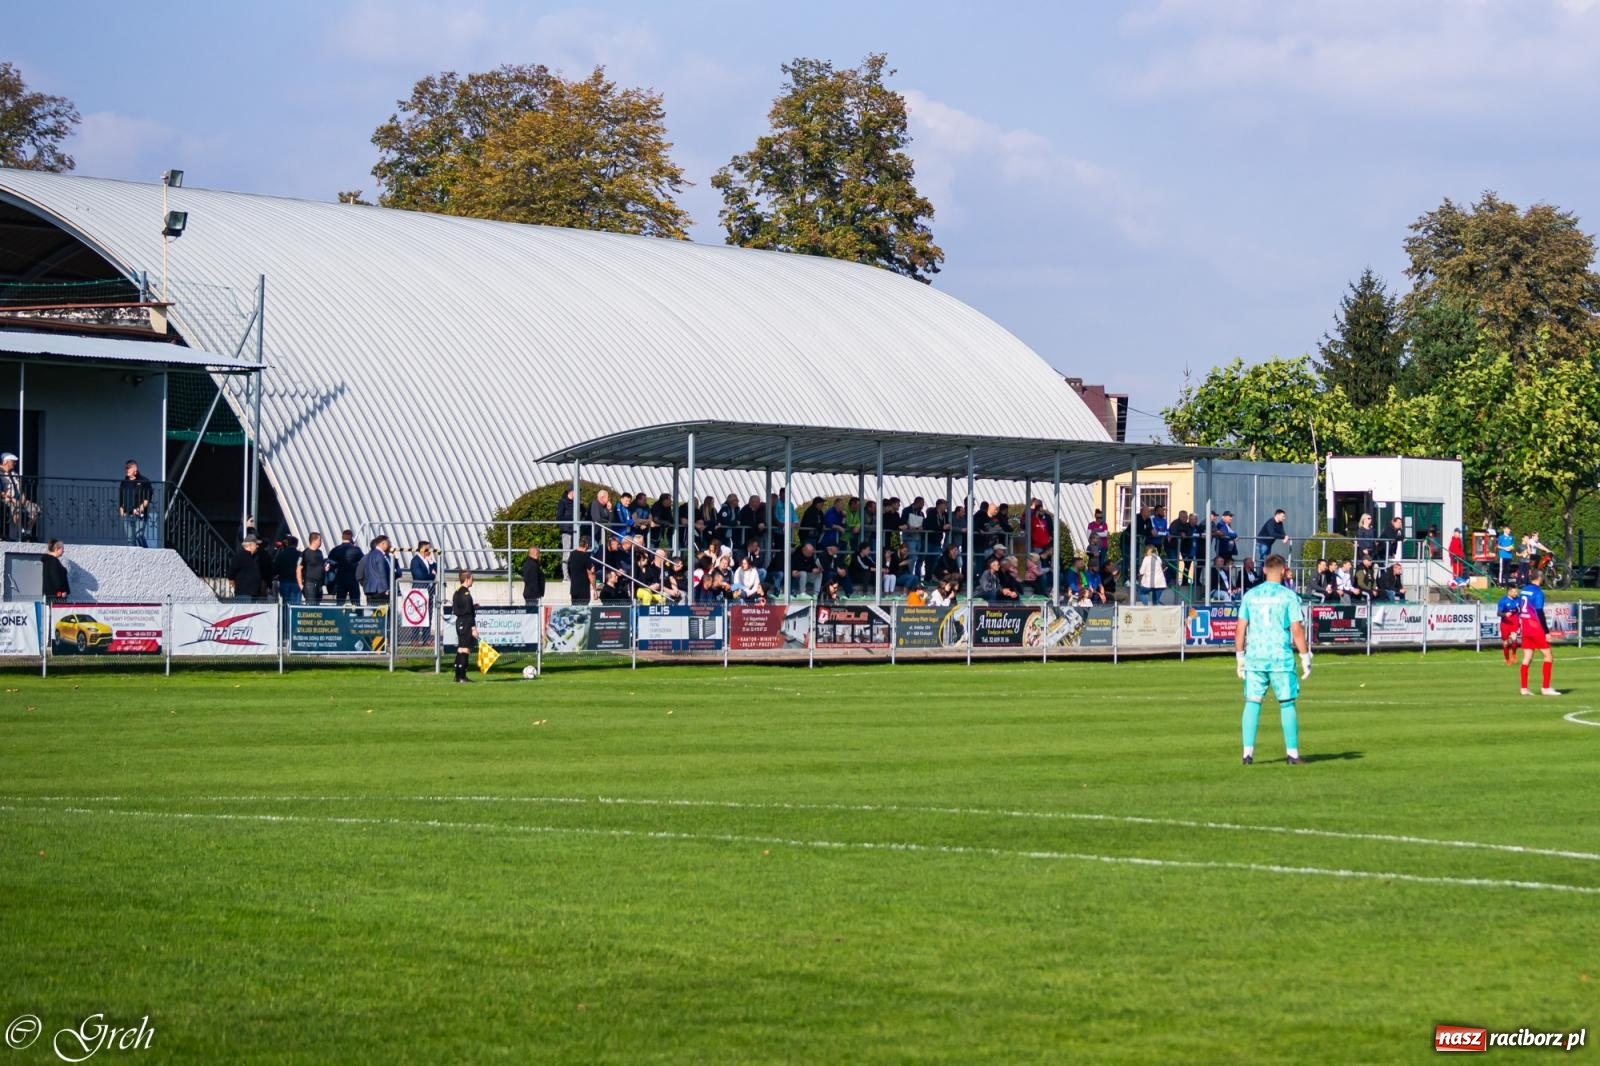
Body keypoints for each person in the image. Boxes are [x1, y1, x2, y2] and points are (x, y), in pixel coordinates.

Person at [1235, 553, 1312, 766]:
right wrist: (1305, 656)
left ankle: (1247, 754)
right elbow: (1296, 629)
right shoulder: (1288, 596)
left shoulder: (1250, 595)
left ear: (1264, 570)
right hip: (1280, 656)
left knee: (1252, 702)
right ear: (1284, 571)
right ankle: (1292, 754)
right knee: (1287, 703)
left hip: (1255, 656)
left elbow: (1240, 628)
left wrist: (1240, 657)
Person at [1515, 571, 1561, 696]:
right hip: (1535, 628)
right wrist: (1546, 632)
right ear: (1540, 578)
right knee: (1548, 656)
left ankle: (1524, 688)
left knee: (1527, 657)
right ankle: (1545, 688)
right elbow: (1539, 612)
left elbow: (1519, 607)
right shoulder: (1538, 592)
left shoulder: (1524, 590)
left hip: (1525, 628)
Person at [117, 459, 153, 548]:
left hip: (139, 514)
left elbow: (147, 498)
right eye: (126, 468)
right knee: (130, 539)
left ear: (135, 469)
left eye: (128, 468)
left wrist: (139, 509)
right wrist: (121, 509)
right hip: (127, 514)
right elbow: (121, 497)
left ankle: (146, 553)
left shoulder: (144, 481)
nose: (126, 470)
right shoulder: (124, 483)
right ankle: (133, 555)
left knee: (139, 535)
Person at [450, 569, 478, 683]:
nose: (473, 580)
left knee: (460, 648)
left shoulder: (457, 592)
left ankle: (457, 675)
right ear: (467, 579)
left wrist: (473, 606)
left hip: (459, 621)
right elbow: (468, 612)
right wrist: (473, 627)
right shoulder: (466, 594)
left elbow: (459, 608)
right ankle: (462, 676)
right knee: (466, 648)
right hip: (466, 622)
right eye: (471, 578)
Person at [0, 451, 36, 541]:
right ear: (6, 462)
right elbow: (1, 492)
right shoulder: (0, 474)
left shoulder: (14, 474)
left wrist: (23, 498)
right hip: (7, 500)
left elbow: (21, 489)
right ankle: (21, 531)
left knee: (35, 509)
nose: (15, 463)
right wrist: (12, 499)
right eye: (13, 461)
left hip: (19, 500)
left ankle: (27, 531)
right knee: (16, 511)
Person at [328, 530, 363, 606]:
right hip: (353, 579)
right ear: (351, 538)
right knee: (355, 602)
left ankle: (339, 613)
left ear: (342, 537)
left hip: (340, 579)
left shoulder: (335, 550)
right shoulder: (356, 550)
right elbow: (362, 562)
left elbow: (329, 564)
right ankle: (356, 613)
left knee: (340, 602)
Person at [359, 535, 394, 602]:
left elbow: (362, 573)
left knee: (372, 607)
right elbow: (382, 573)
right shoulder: (380, 555)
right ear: (382, 543)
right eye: (388, 543)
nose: (389, 545)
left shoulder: (368, 555)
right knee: (383, 608)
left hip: (369, 589)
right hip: (379, 590)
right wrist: (386, 589)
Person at [1496, 583, 1522, 666]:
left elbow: (1521, 609)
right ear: (1509, 592)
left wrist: (1521, 618)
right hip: (1505, 622)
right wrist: (1505, 614)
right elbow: (1498, 613)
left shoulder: (1518, 599)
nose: (1516, 593)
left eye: (1516, 592)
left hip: (1514, 620)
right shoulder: (1503, 601)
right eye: (1514, 592)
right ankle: (1507, 660)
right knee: (1505, 643)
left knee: (1514, 639)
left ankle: (1514, 654)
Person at [229, 535, 263, 600]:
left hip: (255, 594)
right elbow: (231, 574)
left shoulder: (255, 557)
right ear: (250, 545)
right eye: (256, 544)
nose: (257, 546)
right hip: (243, 594)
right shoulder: (239, 557)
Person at [297, 532, 326, 605]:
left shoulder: (320, 552)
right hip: (310, 584)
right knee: (311, 605)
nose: (321, 542)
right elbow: (298, 569)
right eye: (320, 540)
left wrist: (325, 569)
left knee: (317, 605)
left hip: (319, 584)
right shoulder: (305, 553)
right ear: (314, 540)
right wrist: (300, 585)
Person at [274, 534, 302, 604]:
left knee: (285, 603)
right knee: (295, 605)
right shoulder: (300, 555)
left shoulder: (281, 554)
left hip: (284, 581)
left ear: (288, 544)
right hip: (296, 582)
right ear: (296, 544)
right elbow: (303, 567)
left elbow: (276, 567)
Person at [556, 488, 576, 578]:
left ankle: (574, 575)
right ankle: (566, 575)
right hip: (566, 530)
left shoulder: (577, 503)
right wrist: (571, 519)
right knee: (567, 552)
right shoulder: (563, 502)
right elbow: (559, 518)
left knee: (575, 553)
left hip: (575, 531)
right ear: (571, 492)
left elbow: (583, 514)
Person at [568, 536, 594, 605]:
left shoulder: (572, 554)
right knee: (583, 610)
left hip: (574, 589)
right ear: (587, 545)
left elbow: (569, 570)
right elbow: (591, 573)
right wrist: (594, 589)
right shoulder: (586, 556)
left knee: (574, 609)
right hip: (584, 591)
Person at [520, 546, 545, 614]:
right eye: (538, 553)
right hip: (533, 595)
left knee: (531, 612)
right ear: (535, 553)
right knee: (532, 614)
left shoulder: (530, 563)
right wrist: (537, 594)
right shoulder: (532, 565)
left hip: (531, 594)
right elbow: (531, 580)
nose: (539, 555)